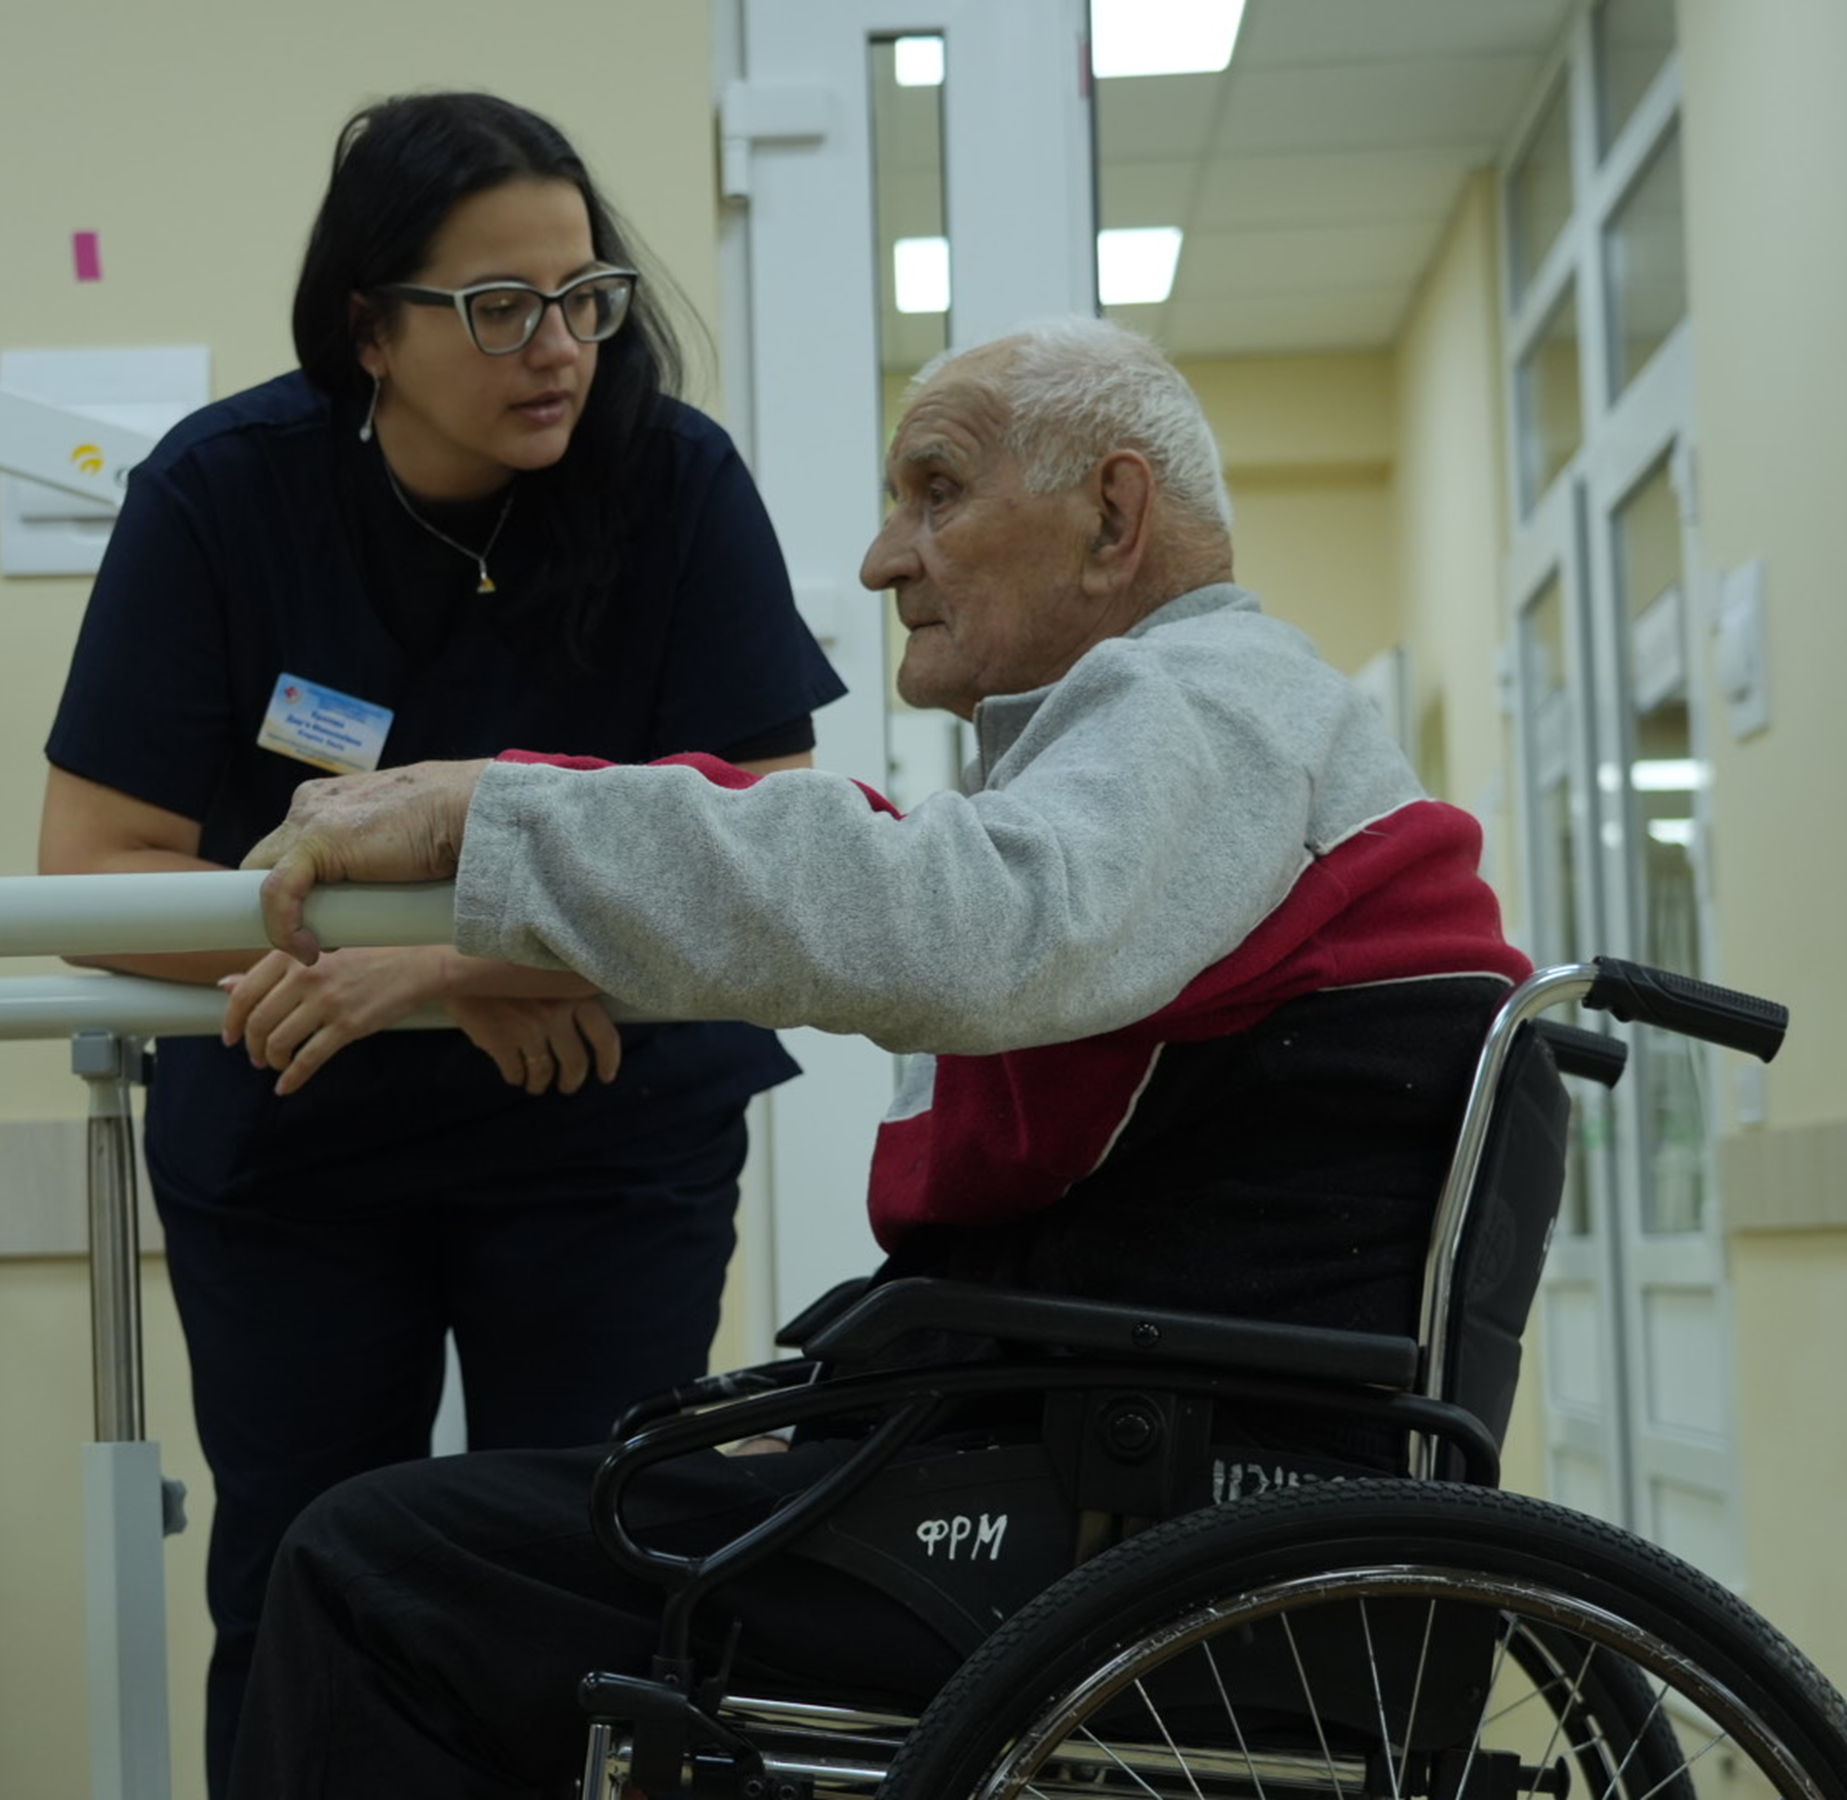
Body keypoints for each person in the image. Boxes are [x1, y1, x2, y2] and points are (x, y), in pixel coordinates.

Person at [226, 317, 1531, 1799]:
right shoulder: (1200, 730)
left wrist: (494, 812)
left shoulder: (1212, 699)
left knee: (371, 1568)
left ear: (1112, 516)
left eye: (935, 491)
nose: (880, 558)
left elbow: (974, 919)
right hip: (1108, 1466)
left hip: (1123, 1503)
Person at [37, 92, 843, 1797]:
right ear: (368, 331)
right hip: (301, 1122)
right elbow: (101, 860)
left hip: (600, 1111)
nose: (556, 347)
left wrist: (477, 965)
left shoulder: (672, 481)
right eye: (497, 307)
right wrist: (410, 979)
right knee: (304, 1569)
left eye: (584, 295)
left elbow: (774, 837)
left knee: (595, 1573)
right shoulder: (223, 496)